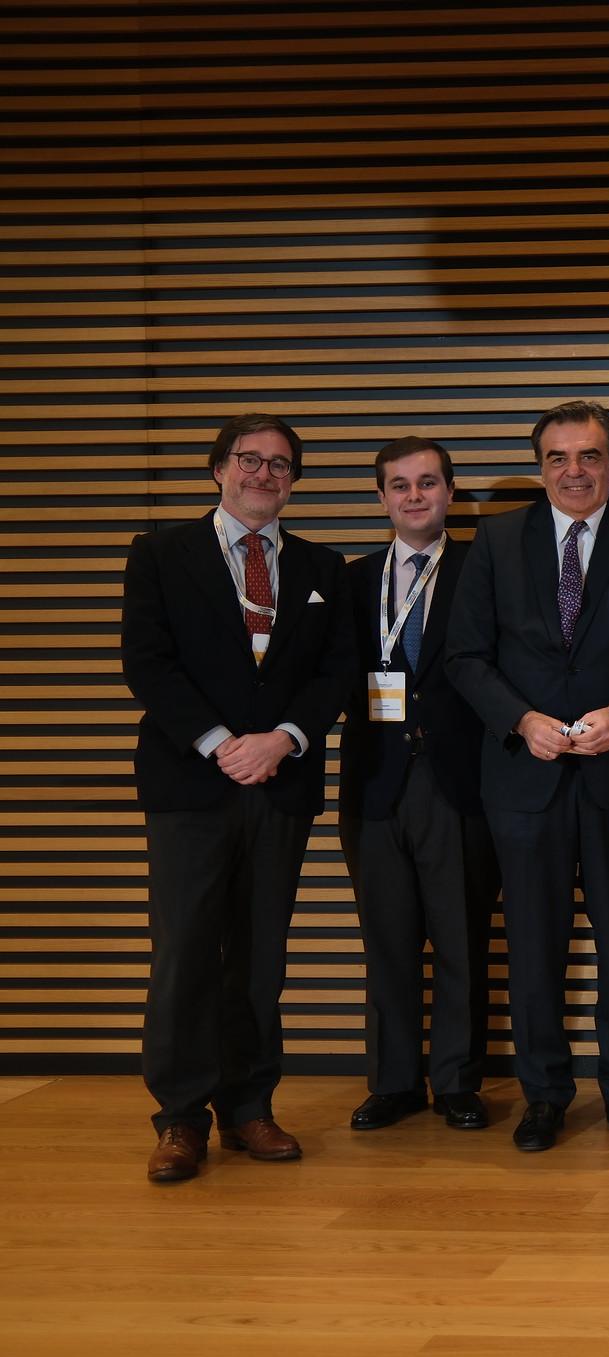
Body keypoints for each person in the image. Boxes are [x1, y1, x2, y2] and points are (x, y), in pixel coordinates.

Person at [445, 401, 609, 1153]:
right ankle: (544, 1095)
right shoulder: (494, 541)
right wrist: (519, 720)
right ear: (541, 466)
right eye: (558, 458)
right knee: (533, 945)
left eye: (589, 456)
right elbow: (465, 657)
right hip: (525, 777)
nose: (574, 471)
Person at [122, 414, 354, 1182]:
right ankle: (181, 1117)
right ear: (217, 468)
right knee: (185, 952)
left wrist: (283, 737)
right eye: (249, 460)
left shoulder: (322, 567)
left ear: (294, 480)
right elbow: (148, 664)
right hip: (191, 783)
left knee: (259, 957)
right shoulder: (160, 554)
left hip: (279, 784)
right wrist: (220, 741)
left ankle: (249, 1106)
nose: (264, 474)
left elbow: (336, 675)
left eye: (280, 464)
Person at [337, 437, 499, 1134]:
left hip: (458, 781)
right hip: (375, 781)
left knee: (461, 940)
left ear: (450, 492)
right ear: (381, 498)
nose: (413, 495)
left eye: (427, 482)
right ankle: (394, 1081)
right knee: (388, 942)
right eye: (398, 485)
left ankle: (458, 1081)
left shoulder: (484, 570)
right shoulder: (351, 579)